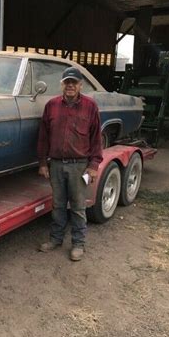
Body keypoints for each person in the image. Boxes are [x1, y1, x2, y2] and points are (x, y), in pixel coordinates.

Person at [37, 66, 103, 261]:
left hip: (79, 166)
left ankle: (78, 244)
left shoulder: (90, 107)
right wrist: (42, 163)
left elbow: (96, 139)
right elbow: (43, 137)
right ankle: (56, 239)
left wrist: (93, 166)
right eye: (67, 82)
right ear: (62, 85)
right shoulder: (52, 105)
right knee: (57, 205)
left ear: (80, 85)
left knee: (78, 206)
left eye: (74, 82)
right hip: (56, 165)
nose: (70, 86)